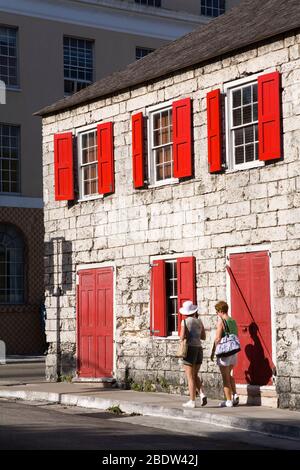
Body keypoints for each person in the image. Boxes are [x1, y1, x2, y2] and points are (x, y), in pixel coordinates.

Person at [210, 300, 239, 408]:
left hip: (224, 352)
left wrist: (213, 351)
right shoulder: (233, 321)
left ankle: (228, 401)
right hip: (233, 351)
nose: (217, 314)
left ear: (221, 311)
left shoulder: (221, 321)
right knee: (229, 374)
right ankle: (235, 395)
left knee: (225, 377)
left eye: (217, 311)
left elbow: (217, 338)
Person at [180, 300, 207, 408]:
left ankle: (192, 401)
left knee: (190, 377)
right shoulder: (199, 321)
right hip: (199, 348)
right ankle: (202, 393)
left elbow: (182, 337)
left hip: (190, 349)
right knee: (195, 375)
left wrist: (186, 335)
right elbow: (203, 337)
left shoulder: (185, 322)